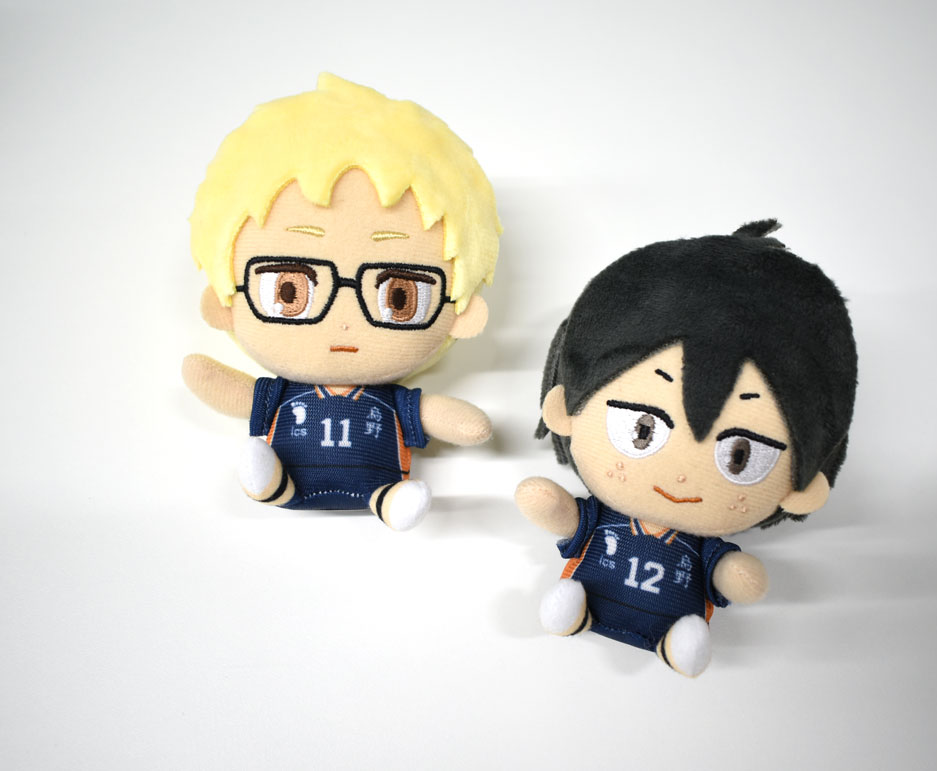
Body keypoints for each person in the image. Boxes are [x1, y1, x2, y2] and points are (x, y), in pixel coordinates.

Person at [515, 221, 857, 676]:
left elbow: (736, 577)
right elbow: (560, 513)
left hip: (675, 622)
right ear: (566, 408)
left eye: (740, 456)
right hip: (585, 597)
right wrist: (548, 504)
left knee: (686, 633)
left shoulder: (701, 545)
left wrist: (735, 575)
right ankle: (575, 612)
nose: (680, 476)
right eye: (642, 429)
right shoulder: (606, 519)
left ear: (803, 485)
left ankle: (676, 643)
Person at [183, 74, 501, 531]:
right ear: (225, 303)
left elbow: (459, 422)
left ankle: (387, 499)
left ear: (461, 316)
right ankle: (272, 485)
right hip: (288, 478)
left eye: (399, 295)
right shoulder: (283, 395)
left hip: (377, 485)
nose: (345, 320)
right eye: (289, 290)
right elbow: (227, 389)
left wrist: (468, 425)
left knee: (391, 493)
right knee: (268, 471)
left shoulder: (392, 400)